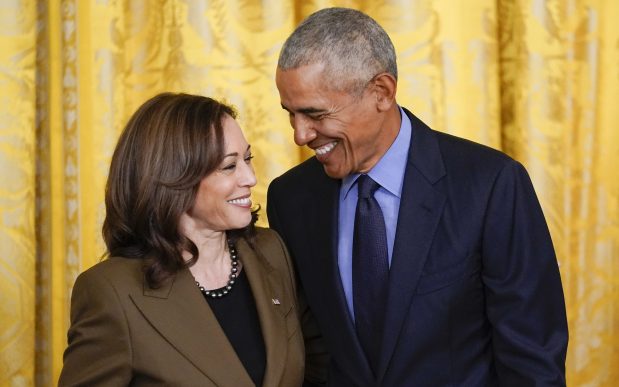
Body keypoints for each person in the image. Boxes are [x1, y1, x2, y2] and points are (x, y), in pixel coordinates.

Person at [267, 7, 568, 386]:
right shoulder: (290, 198)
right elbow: (309, 351)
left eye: (314, 114)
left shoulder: (490, 185)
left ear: (382, 92)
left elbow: (533, 358)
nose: (300, 135)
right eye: (290, 114)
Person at [59, 93, 304, 387]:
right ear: (174, 178)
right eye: (229, 166)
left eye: (247, 159)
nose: (250, 177)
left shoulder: (271, 250)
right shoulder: (112, 292)